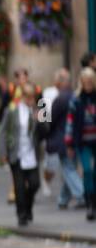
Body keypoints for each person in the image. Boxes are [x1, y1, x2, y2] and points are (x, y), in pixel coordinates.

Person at [0, 82, 43, 226]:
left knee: (35, 184)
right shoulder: (12, 111)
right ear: (23, 96)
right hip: (16, 155)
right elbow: (3, 132)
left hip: (32, 155)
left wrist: (40, 119)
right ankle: (21, 215)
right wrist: (3, 152)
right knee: (19, 187)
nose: (31, 100)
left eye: (33, 97)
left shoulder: (39, 110)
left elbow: (46, 131)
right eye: (28, 97)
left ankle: (28, 207)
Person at [42, 69, 84, 208]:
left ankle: (82, 195)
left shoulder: (63, 97)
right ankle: (62, 199)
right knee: (68, 168)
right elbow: (43, 111)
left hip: (61, 139)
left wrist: (43, 129)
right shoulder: (52, 93)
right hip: (70, 138)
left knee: (68, 169)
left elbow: (49, 119)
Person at [66, 66, 96, 220]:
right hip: (83, 142)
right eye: (86, 82)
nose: (88, 85)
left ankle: (93, 201)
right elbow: (69, 123)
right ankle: (89, 202)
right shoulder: (76, 100)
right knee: (87, 170)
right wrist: (69, 143)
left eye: (90, 82)